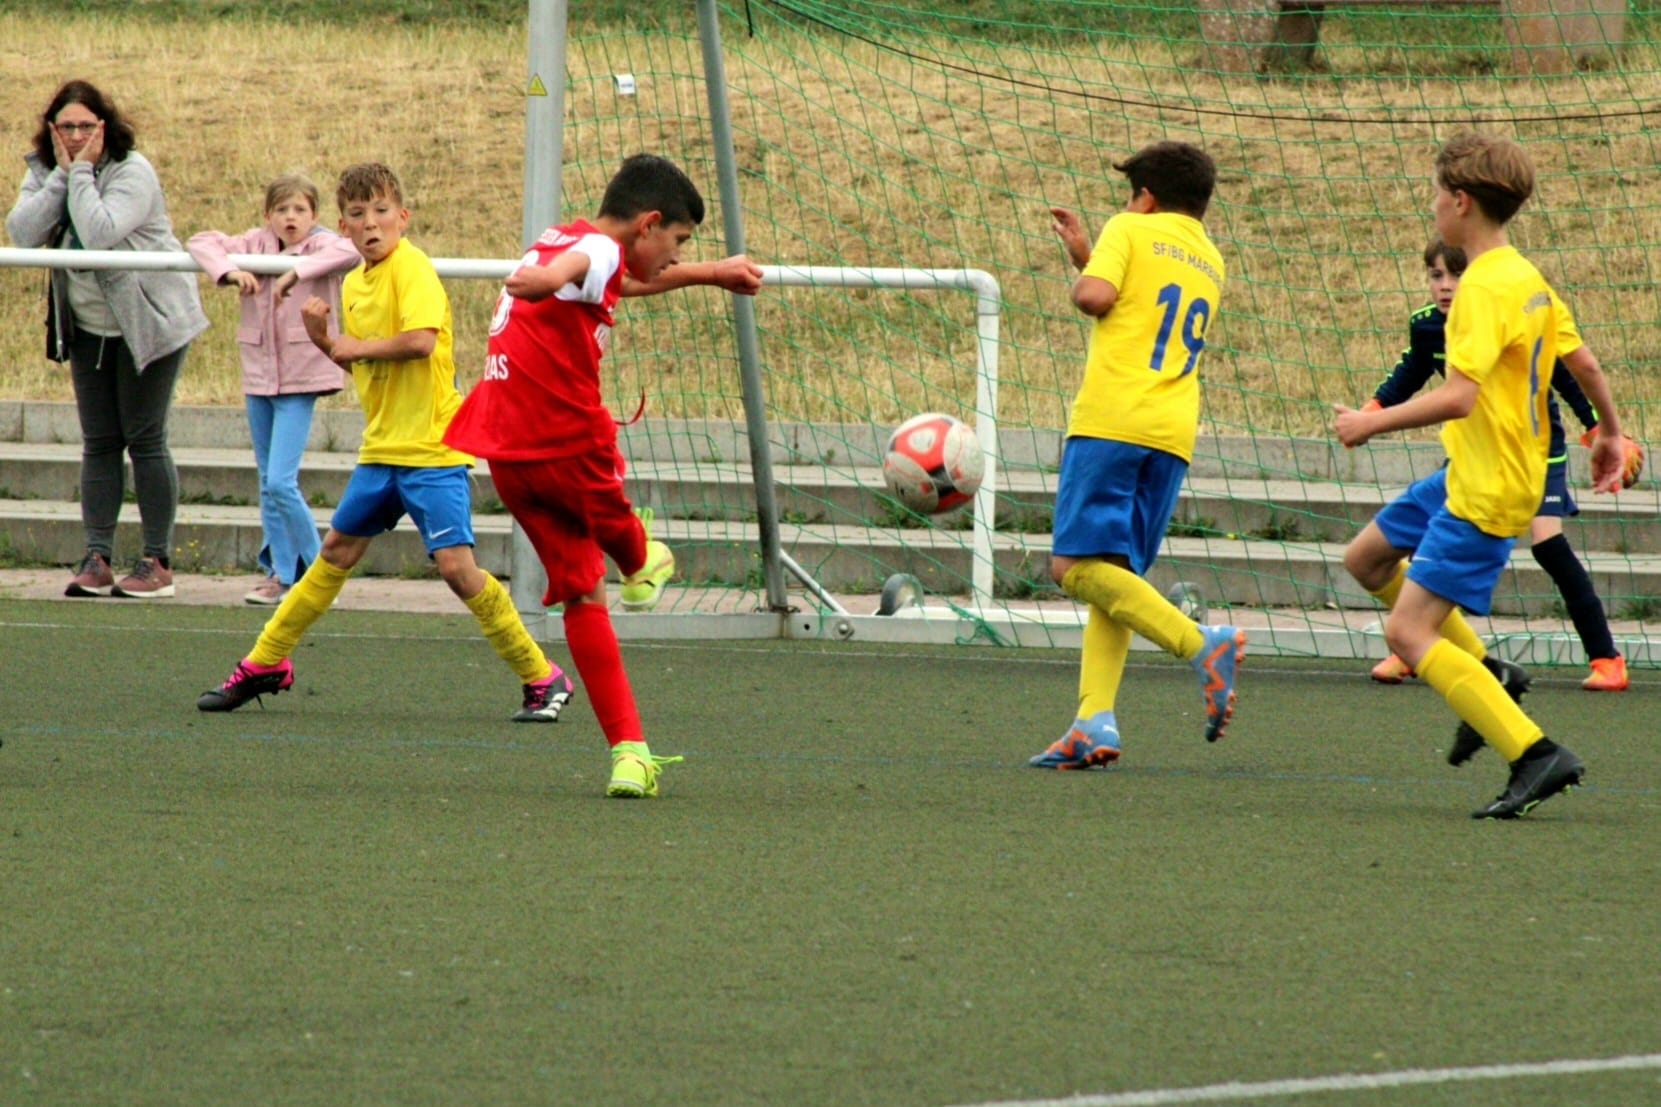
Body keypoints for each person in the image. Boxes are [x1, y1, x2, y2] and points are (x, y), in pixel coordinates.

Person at [196, 162, 570, 726]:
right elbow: (361, 361)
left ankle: (542, 676)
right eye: (357, 214)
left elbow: (420, 343)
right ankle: (265, 662)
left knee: (457, 570)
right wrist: (325, 341)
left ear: (403, 217)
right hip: (381, 451)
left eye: (381, 211)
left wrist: (350, 346)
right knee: (334, 553)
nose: (371, 223)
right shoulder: (354, 282)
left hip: (432, 451)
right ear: (343, 227)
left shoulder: (412, 267)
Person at [443, 153, 764, 798]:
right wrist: (546, 280)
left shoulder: (563, 236)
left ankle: (630, 755)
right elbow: (584, 266)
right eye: (678, 241)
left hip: (509, 456)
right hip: (566, 446)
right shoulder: (593, 250)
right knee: (632, 550)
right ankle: (643, 559)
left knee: (584, 598)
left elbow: (609, 278)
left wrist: (711, 274)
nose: (676, 256)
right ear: (648, 224)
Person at [1334, 132, 1627, 820]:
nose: (1432, 205)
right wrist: (1610, 434)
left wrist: (1370, 424)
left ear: (1460, 201)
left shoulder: (1481, 291)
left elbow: (1459, 396)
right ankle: (1490, 672)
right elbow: (1583, 363)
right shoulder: (1525, 276)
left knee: (1407, 635)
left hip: (1489, 485)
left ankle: (1533, 751)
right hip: (1470, 469)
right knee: (1366, 559)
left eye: (1437, 194)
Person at [1027, 140, 1246, 772]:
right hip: (1171, 432)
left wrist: (1090, 267)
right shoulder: (1210, 258)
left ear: (1145, 198)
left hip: (1113, 419)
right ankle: (1092, 721)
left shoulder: (1128, 228)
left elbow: (1095, 298)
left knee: (1072, 566)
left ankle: (1199, 642)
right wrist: (1089, 256)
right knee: (1116, 574)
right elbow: (1145, 300)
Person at [1362, 237, 1640, 693]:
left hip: (1535, 448)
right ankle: (1415, 644)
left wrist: (1599, 429)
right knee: (1431, 538)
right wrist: (1372, 411)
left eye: (1457, 274)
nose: (1446, 285)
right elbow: (1413, 369)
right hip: (1478, 453)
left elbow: (1566, 372)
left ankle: (1607, 658)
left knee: (1548, 546)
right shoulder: (1428, 326)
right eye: (1436, 275)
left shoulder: (1503, 313)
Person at [6, 79, 209, 599]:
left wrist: (81, 174)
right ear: (51, 130)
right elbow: (22, 233)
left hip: (151, 321)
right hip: (88, 328)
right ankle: (97, 558)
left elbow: (98, 233)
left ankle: (157, 561)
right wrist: (62, 175)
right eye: (65, 127)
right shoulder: (47, 170)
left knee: (145, 438)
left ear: (104, 126)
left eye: (85, 126)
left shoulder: (132, 170)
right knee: (99, 441)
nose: (76, 136)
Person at [188, 173, 361, 606]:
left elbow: (350, 250)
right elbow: (201, 241)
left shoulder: (323, 245)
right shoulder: (254, 244)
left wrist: (293, 273)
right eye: (281, 210)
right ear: (268, 215)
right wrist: (230, 272)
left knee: (283, 481)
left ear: (314, 215)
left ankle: (319, 574)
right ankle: (282, 574)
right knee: (268, 482)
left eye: (300, 209)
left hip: (300, 380)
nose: (290, 218)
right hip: (259, 377)